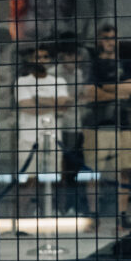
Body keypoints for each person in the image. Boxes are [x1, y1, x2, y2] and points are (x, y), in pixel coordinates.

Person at [81, 24, 131, 236]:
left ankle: (121, 217)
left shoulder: (125, 64)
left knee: (124, 172)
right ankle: (94, 215)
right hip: (97, 125)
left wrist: (105, 88)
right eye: (105, 37)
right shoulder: (93, 64)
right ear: (99, 40)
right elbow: (90, 92)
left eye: (113, 37)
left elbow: (130, 89)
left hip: (121, 124)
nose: (109, 41)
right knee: (93, 172)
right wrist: (117, 91)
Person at [15, 44, 71, 220]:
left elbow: (65, 104)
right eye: (37, 57)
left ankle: (53, 214)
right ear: (31, 60)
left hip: (53, 138)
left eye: (45, 56)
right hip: (29, 139)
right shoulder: (22, 82)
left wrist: (38, 99)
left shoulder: (59, 81)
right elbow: (27, 107)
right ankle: (22, 219)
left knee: (55, 179)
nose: (41, 60)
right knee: (27, 181)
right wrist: (53, 103)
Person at [55, 33, 91, 216]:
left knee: (75, 168)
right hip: (60, 127)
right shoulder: (54, 73)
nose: (73, 59)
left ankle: (74, 206)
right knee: (59, 169)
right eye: (69, 55)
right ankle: (58, 206)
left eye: (75, 55)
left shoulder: (78, 73)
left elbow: (83, 98)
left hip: (76, 125)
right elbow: (60, 102)